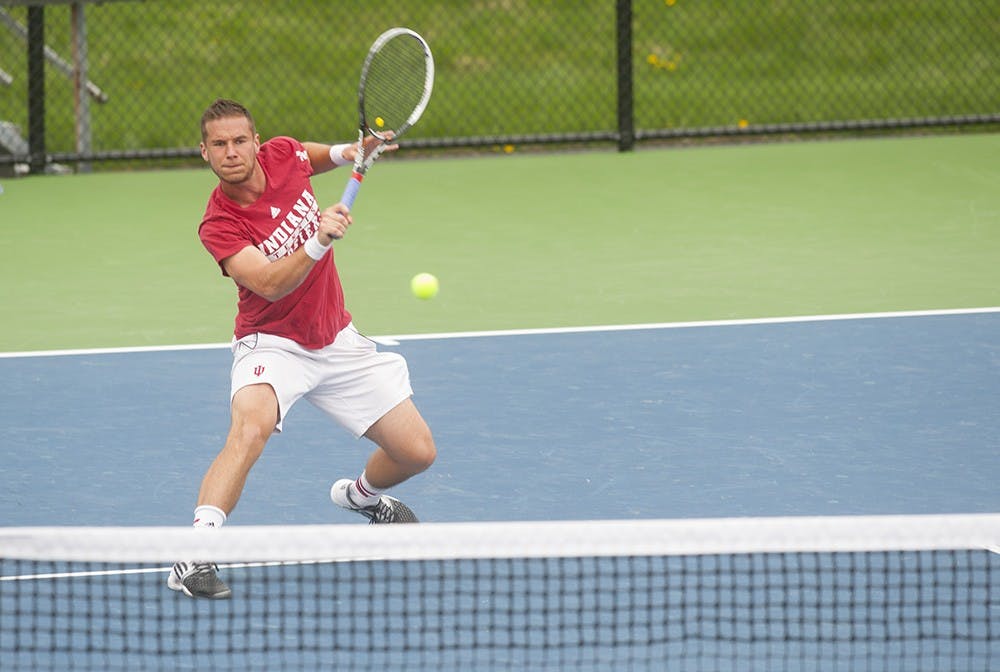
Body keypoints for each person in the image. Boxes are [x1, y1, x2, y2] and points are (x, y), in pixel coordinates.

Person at [167, 98, 436, 600]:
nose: (231, 152)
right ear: (204, 152)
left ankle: (361, 498)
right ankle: (192, 556)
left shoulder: (283, 154)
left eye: (240, 140)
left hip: (335, 337)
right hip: (271, 343)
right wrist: (317, 239)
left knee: (417, 452)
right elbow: (268, 283)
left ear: (256, 141)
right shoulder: (219, 223)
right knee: (251, 428)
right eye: (219, 145)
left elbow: (312, 157)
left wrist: (355, 150)